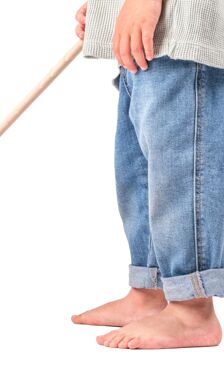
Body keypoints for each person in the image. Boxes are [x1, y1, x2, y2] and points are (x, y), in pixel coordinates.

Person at [71, 0, 224, 349]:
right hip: (151, 36)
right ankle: (150, 289)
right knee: (138, 169)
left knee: (178, 167)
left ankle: (192, 308)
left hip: (181, 27)